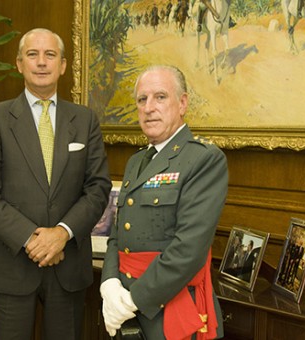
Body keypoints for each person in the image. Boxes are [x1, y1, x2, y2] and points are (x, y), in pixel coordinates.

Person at [0, 28, 111, 340]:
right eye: (33, 55)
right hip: (12, 264)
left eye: (50, 55)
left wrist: (62, 234)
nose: (41, 62)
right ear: (19, 64)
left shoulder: (84, 120)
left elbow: (98, 188)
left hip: (68, 265)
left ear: (62, 65)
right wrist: (30, 238)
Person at [99, 65, 228, 339]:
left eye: (160, 97)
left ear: (182, 104)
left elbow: (188, 251)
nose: (149, 107)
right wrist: (109, 285)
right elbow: (117, 235)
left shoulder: (203, 160)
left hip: (169, 312)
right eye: (142, 100)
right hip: (123, 308)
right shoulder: (136, 161)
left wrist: (134, 300)